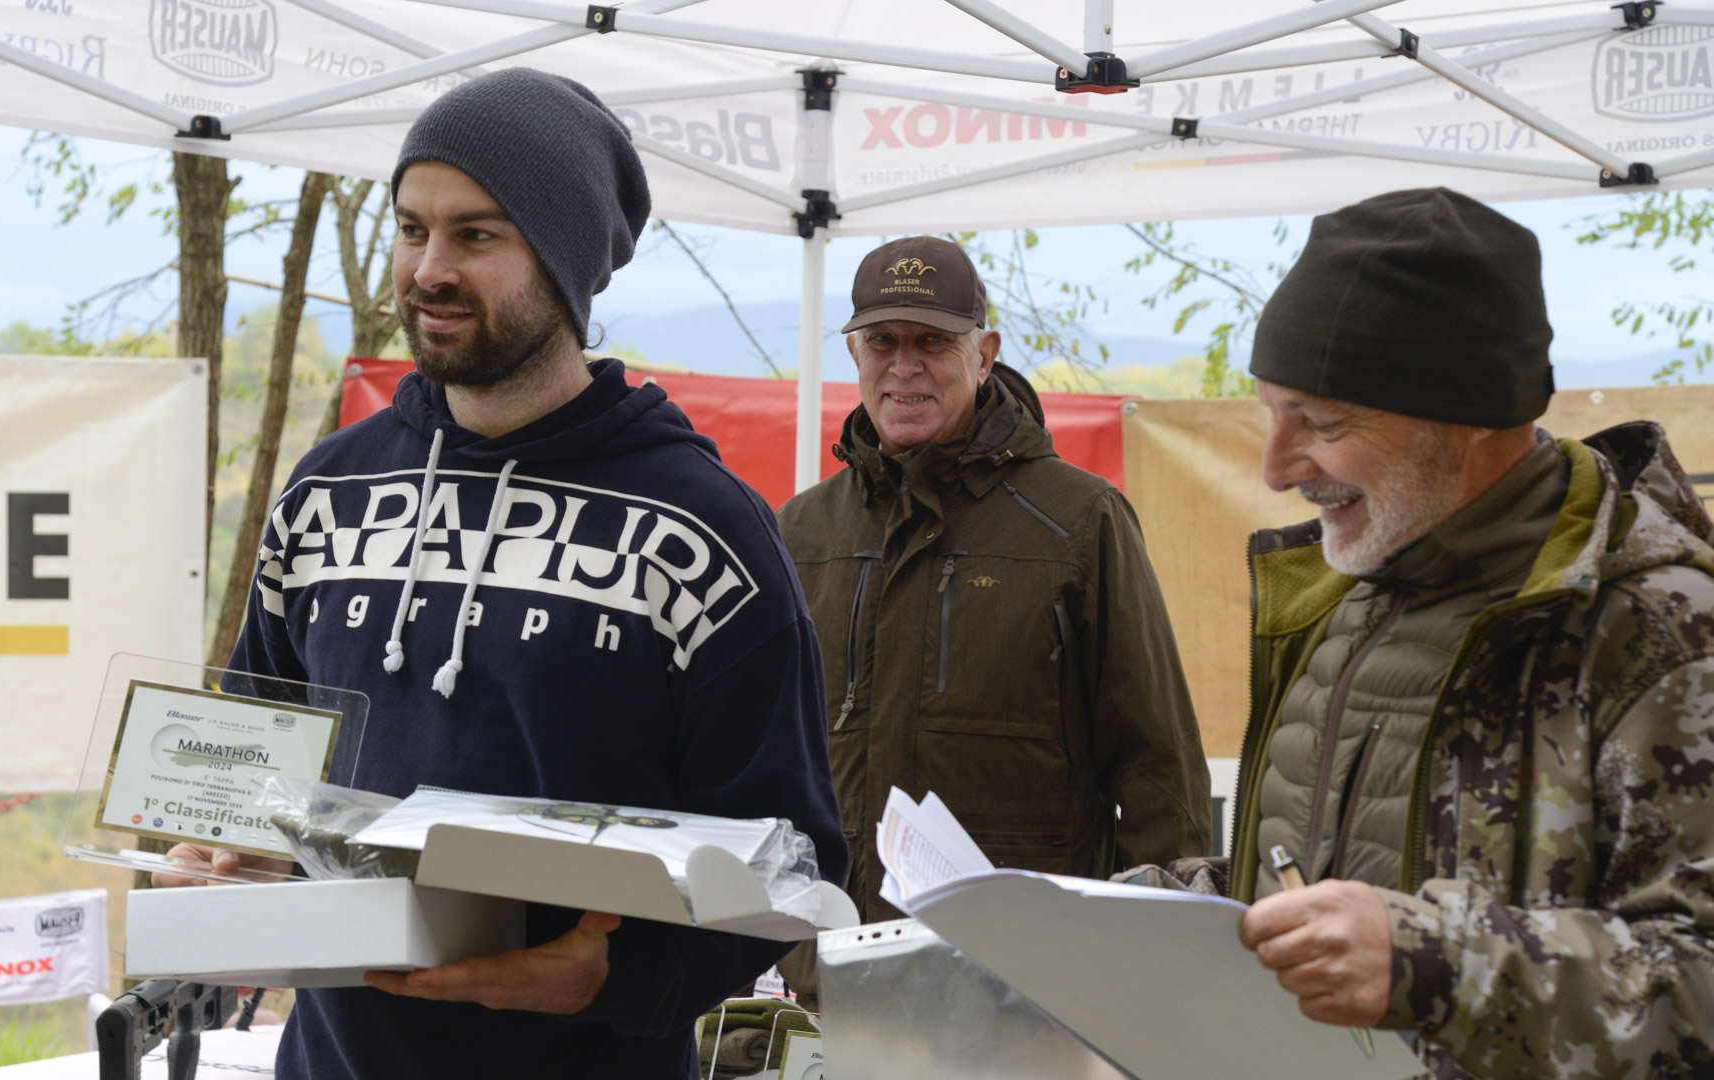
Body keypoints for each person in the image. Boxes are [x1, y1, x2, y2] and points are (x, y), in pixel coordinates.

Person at [156, 68, 845, 1079]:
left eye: (476, 235)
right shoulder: (326, 491)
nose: (429, 267)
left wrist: (615, 977)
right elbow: (252, 756)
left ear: (563, 266)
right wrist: (213, 854)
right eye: (411, 228)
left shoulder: (700, 528)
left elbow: (792, 860)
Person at [1125, 187, 1714, 1078]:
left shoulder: (1657, 631)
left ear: (1470, 418)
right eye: (1270, 411)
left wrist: (1437, 964)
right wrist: (1106, 910)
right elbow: (1305, 874)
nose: (1276, 467)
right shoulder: (1346, 594)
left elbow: (1699, 981)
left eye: (1319, 423)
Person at [776, 235, 1213, 936]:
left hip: (1022, 961)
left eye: (933, 341)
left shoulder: (1079, 521)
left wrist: (1166, 947)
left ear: (984, 356)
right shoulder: (802, 530)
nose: (904, 366)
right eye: (882, 340)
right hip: (833, 951)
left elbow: (1156, 761)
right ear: (854, 354)